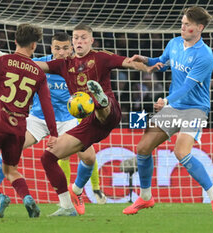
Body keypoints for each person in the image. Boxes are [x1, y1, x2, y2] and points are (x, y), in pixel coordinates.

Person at [35, 24, 159, 216]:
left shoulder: (101, 57)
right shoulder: (63, 64)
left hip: (110, 113)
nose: (79, 41)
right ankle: (68, 204)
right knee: (48, 158)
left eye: (83, 38)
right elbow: (36, 66)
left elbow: (128, 62)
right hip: (88, 124)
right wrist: (6, 60)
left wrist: (148, 66)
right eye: (75, 38)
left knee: (101, 107)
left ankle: (99, 99)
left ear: (91, 41)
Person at [0, 32, 107, 216]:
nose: (61, 52)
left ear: (71, 48)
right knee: (8, 152)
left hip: (68, 120)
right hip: (37, 119)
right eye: (57, 48)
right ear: (51, 48)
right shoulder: (43, 64)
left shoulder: (79, 69)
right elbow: (19, 64)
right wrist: (0, 53)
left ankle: (76, 191)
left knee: (89, 157)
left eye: (65, 48)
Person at [122, 6, 213, 216]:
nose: (183, 27)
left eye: (187, 24)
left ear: (199, 28)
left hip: (195, 109)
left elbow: (188, 86)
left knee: (181, 152)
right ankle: (145, 198)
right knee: (143, 148)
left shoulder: (204, 55)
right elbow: (161, 63)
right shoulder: (175, 43)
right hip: (174, 107)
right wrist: (145, 60)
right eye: (182, 23)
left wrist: (166, 100)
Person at [0, 23, 57, 218]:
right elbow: (47, 106)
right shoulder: (39, 73)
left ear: (15, 40)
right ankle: (27, 198)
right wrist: (54, 133)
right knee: (11, 170)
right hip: (18, 128)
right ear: (34, 46)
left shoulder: (4, 62)